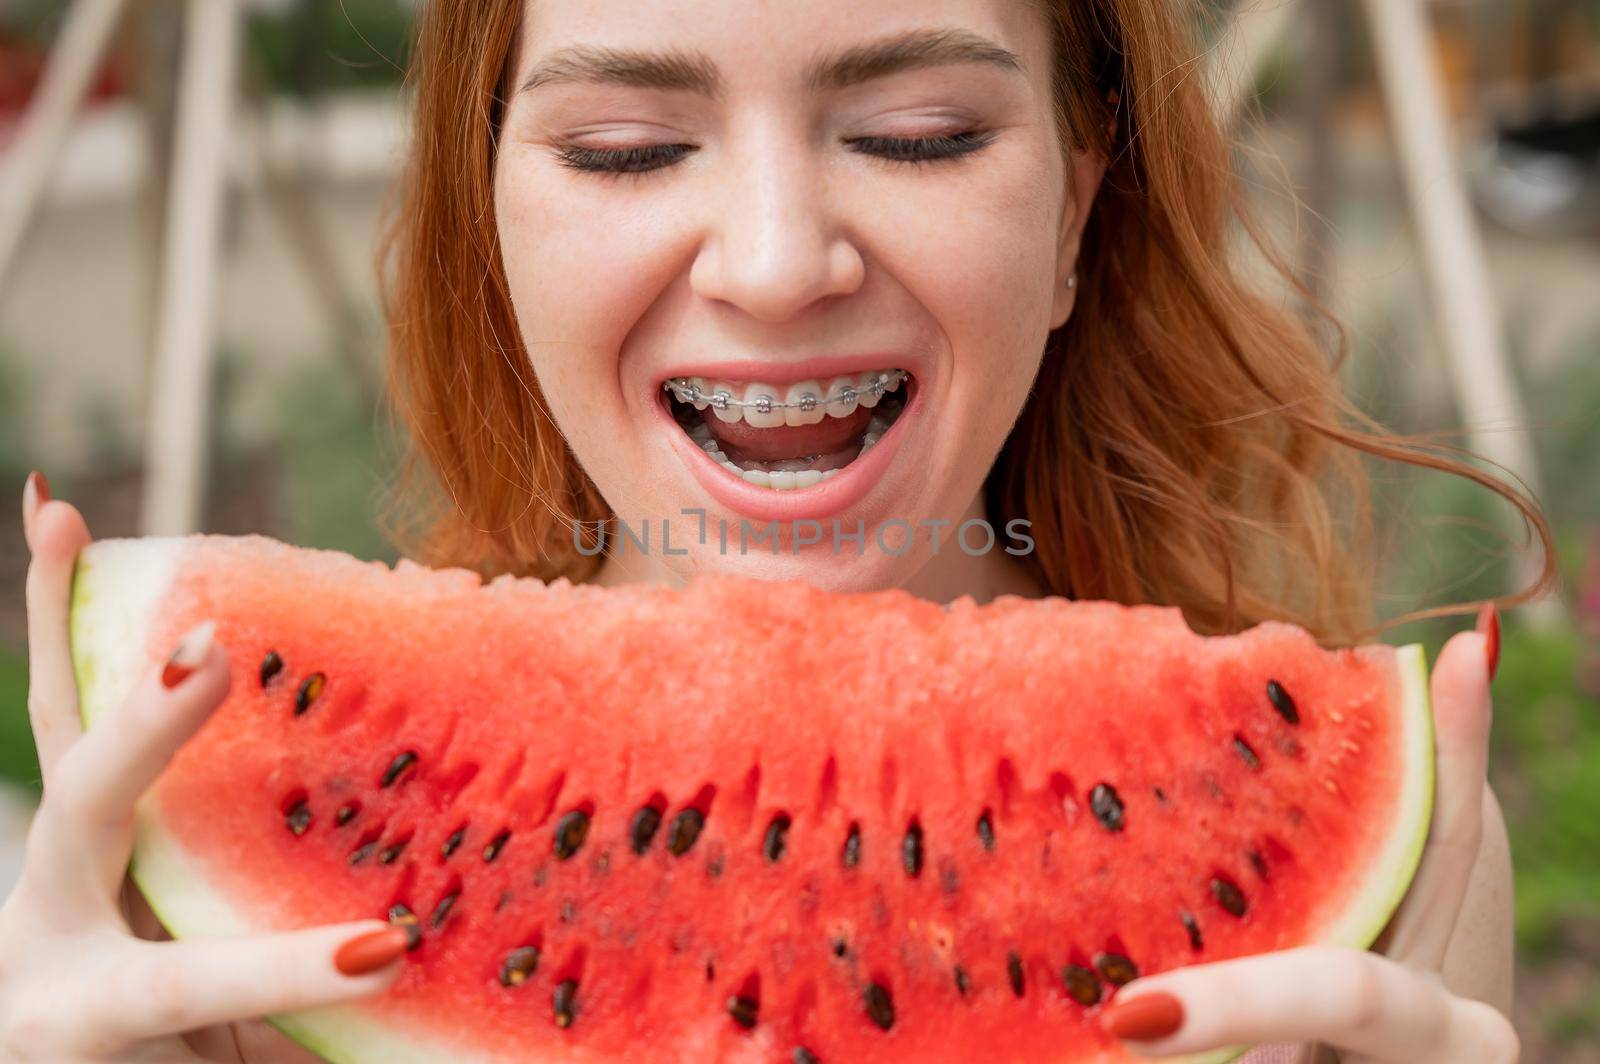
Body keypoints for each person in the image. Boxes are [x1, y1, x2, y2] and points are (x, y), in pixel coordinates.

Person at [2, 0, 1551, 1060]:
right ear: (492, 223)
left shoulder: (1392, 905)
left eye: (920, 132)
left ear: (1077, 219)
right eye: (624, 149)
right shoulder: (193, 916)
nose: (772, 260)